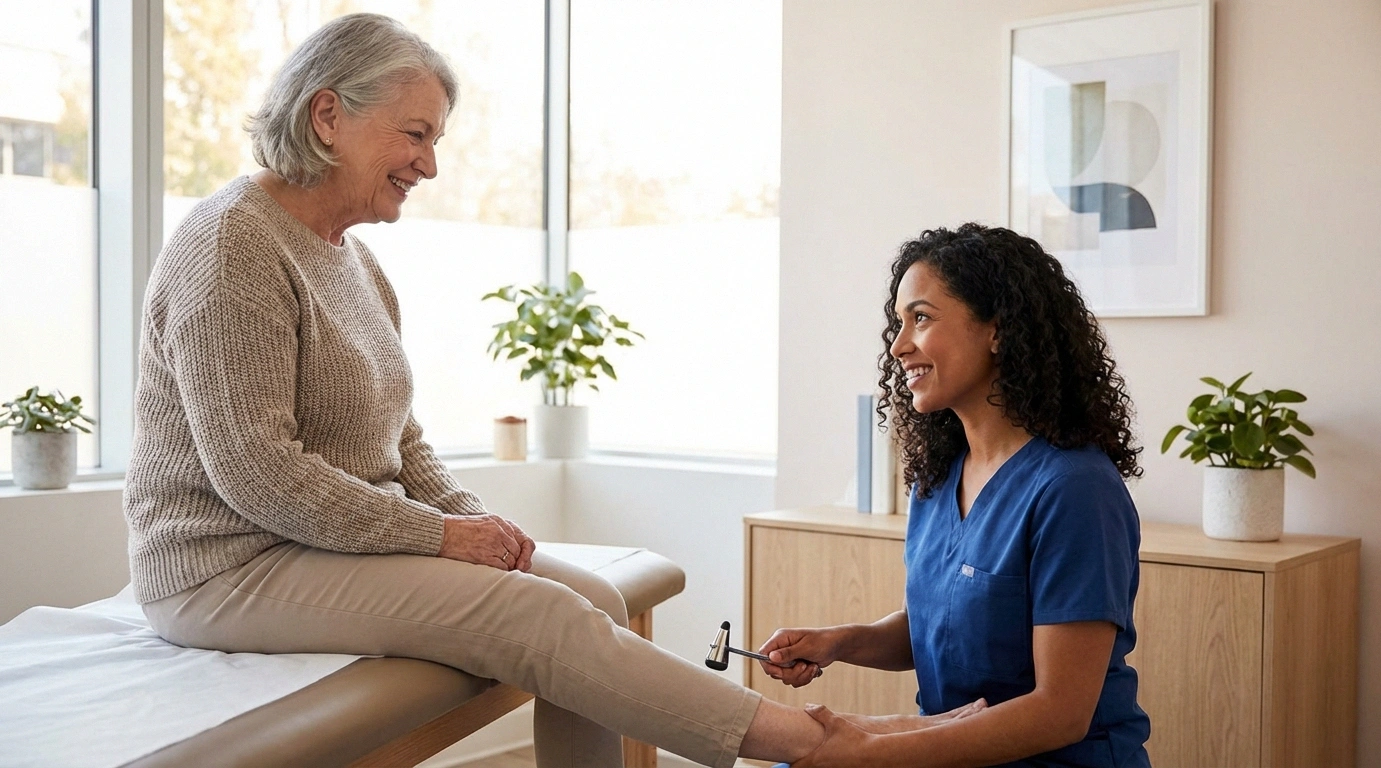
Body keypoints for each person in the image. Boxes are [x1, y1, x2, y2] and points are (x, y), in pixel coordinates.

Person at [124, 13, 855, 768]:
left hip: (328, 545)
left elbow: (400, 440)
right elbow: (259, 473)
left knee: (598, 598)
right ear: (328, 115)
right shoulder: (230, 244)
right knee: (540, 616)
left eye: (434, 140)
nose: (429, 165)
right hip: (229, 567)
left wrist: (479, 526)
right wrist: (442, 537)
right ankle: (816, 744)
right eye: (415, 134)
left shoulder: (356, 262)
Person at [758, 224, 1152, 767]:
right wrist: (840, 642)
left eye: (920, 318)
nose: (898, 346)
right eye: (898, 324)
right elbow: (943, 627)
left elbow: (1060, 711)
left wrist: (874, 748)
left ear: (997, 329)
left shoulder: (1074, 490)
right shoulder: (939, 477)